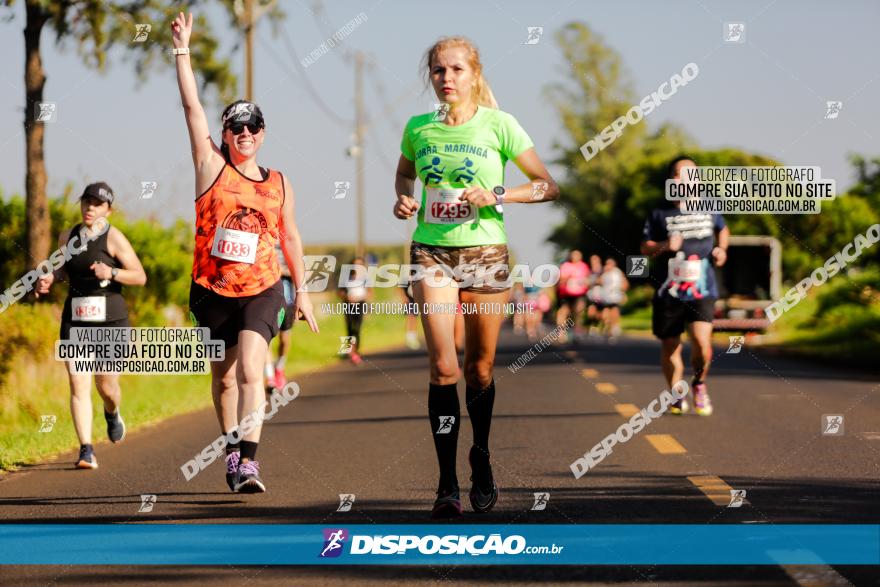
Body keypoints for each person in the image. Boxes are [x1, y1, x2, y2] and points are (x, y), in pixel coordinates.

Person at [393, 36, 558, 518]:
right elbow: (404, 177)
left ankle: (480, 455)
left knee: (479, 370)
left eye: (457, 70)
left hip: (486, 254)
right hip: (432, 253)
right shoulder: (418, 128)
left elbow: (549, 185)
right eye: (440, 70)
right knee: (443, 367)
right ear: (432, 76)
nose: (448, 78)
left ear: (475, 73)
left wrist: (501, 193)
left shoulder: (500, 125)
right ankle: (446, 484)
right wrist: (404, 198)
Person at [172, 11, 318, 493]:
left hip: (262, 288)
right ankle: (232, 452)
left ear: (262, 133)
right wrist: (181, 51)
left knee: (253, 369)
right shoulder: (210, 165)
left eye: (253, 127)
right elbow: (192, 108)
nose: (245, 134)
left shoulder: (279, 184)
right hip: (211, 291)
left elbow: (291, 237)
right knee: (226, 381)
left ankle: (250, 462)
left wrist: (305, 291)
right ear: (226, 133)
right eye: (236, 127)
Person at [36, 182, 147, 469]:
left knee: (107, 385)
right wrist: (51, 278)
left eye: (97, 204)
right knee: (78, 382)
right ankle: (86, 449)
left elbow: (139, 276)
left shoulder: (114, 239)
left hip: (111, 322)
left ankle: (112, 412)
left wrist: (111, 271)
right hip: (75, 320)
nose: (90, 208)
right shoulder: (67, 236)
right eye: (86, 202)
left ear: (108, 210)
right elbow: (61, 269)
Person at [640, 155, 728, 416]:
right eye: (683, 173)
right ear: (672, 179)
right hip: (669, 290)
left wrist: (722, 249)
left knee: (702, 343)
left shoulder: (709, 205)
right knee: (670, 347)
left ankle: (699, 383)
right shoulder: (658, 212)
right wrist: (666, 246)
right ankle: (677, 392)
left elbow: (722, 229)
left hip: (702, 288)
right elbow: (644, 248)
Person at [264, 242, 297, 391]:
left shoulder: (288, 244)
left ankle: (279, 368)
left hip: (288, 300)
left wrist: (281, 271)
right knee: (266, 340)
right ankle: (269, 377)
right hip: (266, 301)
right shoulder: (263, 242)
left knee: (284, 340)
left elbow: (299, 270)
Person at [338, 257, 370, 365]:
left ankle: (355, 351)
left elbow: (370, 293)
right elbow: (339, 292)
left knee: (357, 328)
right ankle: (348, 351)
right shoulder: (346, 277)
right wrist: (347, 297)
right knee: (349, 328)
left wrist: (358, 299)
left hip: (360, 304)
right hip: (348, 304)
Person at [555, 249, 589, 341]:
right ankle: (561, 332)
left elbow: (587, 279)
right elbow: (560, 280)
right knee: (563, 312)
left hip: (579, 293)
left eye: (577, 255)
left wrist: (586, 282)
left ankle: (577, 332)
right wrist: (568, 278)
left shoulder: (584, 266)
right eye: (574, 255)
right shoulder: (565, 266)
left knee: (578, 311)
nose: (575, 257)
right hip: (566, 293)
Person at [598, 257, 628, 341]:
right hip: (605, 297)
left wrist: (624, 292)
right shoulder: (604, 273)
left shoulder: (618, 272)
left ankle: (614, 328)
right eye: (607, 264)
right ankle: (608, 327)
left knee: (615, 312)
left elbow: (625, 283)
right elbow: (599, 282)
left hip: (615, 297)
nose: (608, 265)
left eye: (610, 264)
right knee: (605, 315)